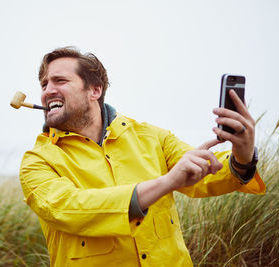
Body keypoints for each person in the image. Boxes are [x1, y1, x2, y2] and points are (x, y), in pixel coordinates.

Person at [19, 47, 265, 266]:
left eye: (59, 81)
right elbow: (68, 209)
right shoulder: (36, 161)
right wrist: (167, 182)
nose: (48, 91)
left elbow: (207, 176)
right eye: (44, 84)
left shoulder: (152, 136)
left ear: (94, 90)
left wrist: (242, 157)